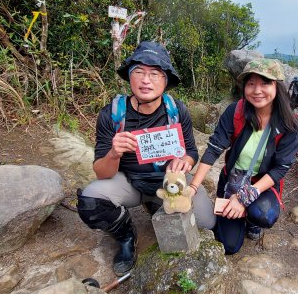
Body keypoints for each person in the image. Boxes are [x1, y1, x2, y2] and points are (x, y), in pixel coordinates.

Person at [76, 41, 215, 275]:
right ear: (129, 77)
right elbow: (102, 173)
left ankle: (155, 202)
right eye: (138, 72)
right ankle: (126, 237)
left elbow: (191, 151)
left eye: (155, 74)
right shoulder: (112, 114)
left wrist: (186, 162)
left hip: (169, 183)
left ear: (166, 81)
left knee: (207, 224)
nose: (146, 80)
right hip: (130, 183)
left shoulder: (177, 110)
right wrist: (113, 152)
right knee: (91, 201)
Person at [188, 58, 298, 254]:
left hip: (262, 185)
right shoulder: (236, 111)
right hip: (233, 179)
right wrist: (193, 186)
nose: (257, 90)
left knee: (263, 215)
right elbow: (214, 148)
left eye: (265, 83)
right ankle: (237, 213)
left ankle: (251, 218)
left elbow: (280, 169)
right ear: (244, 87)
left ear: (277, 86)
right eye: (251, 83)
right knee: (229, 246)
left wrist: (243, 199)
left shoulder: (288, 124)